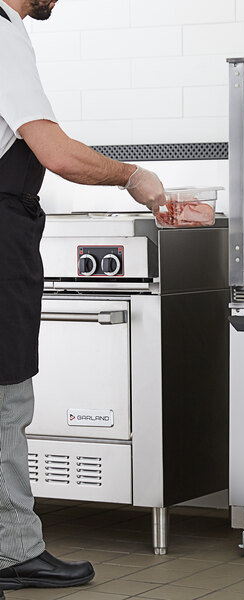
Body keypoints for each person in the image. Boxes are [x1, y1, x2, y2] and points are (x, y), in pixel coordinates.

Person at [0, 0, 166, 591]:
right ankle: (13, 552)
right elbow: (57, 152)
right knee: (5, 399)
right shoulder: (3, 31)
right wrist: (133, 177)